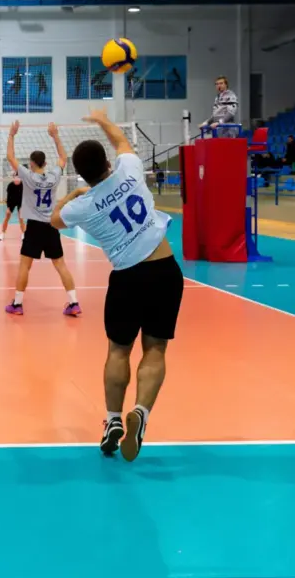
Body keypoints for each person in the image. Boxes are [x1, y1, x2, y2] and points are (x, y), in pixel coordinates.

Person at [52, 108, 184, 463]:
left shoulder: (84, 206)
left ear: (82, 174)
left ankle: (113, 420)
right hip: (165, 271)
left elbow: (54, 220)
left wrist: (73, 194)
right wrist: (102, 120)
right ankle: (140, 412)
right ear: (108, 163)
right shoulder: (129, 170)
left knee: (118, 351)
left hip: (127, 278)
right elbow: (121, 141)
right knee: (155, 350)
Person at [4, 121, 79, 317]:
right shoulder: (53, 176)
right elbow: (63, 158)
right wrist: (55, 136)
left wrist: (11, 135)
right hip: (51, 225)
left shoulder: (28, 176)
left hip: (34, 228)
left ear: (31, 163)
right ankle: (74, 303)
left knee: (25, 265)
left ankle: (17, 304)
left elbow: (10, 157)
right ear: (45, 163)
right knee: (60, 264)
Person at [0, 174, 24, 242]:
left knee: (21, 217)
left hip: (20, 202)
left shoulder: (23, 185)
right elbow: (8, 197)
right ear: (13, 178)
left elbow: (25, 196)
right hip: (12, 201)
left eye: (18, 177)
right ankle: (2, 233)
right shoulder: (10, 185)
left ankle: (23, 233)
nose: (17, 179)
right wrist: (8, 207)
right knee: (7, 215)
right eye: (15, 177)